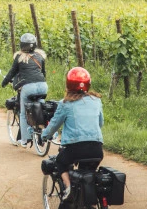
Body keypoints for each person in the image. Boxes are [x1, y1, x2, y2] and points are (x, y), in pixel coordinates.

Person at [41, 67, 104, 200]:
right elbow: (100, 123)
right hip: (97, 149)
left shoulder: (65, 104)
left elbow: (53, 125)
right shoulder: (96, 101)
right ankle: (91, 203)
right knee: (88, 178)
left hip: (75, 149)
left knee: (60, 162)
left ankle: (68, 187)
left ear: (68, 84)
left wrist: (44, 135)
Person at [1, 33, 47, 147]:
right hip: (43, 85)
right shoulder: (40, 56)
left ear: (22, 45)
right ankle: (45, 133)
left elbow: (12, 72)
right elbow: (43, 73)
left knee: (23, 112)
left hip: (28, 87)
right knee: (42, 109)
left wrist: (4, 82)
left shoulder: (19, 57)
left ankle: (25, 140)